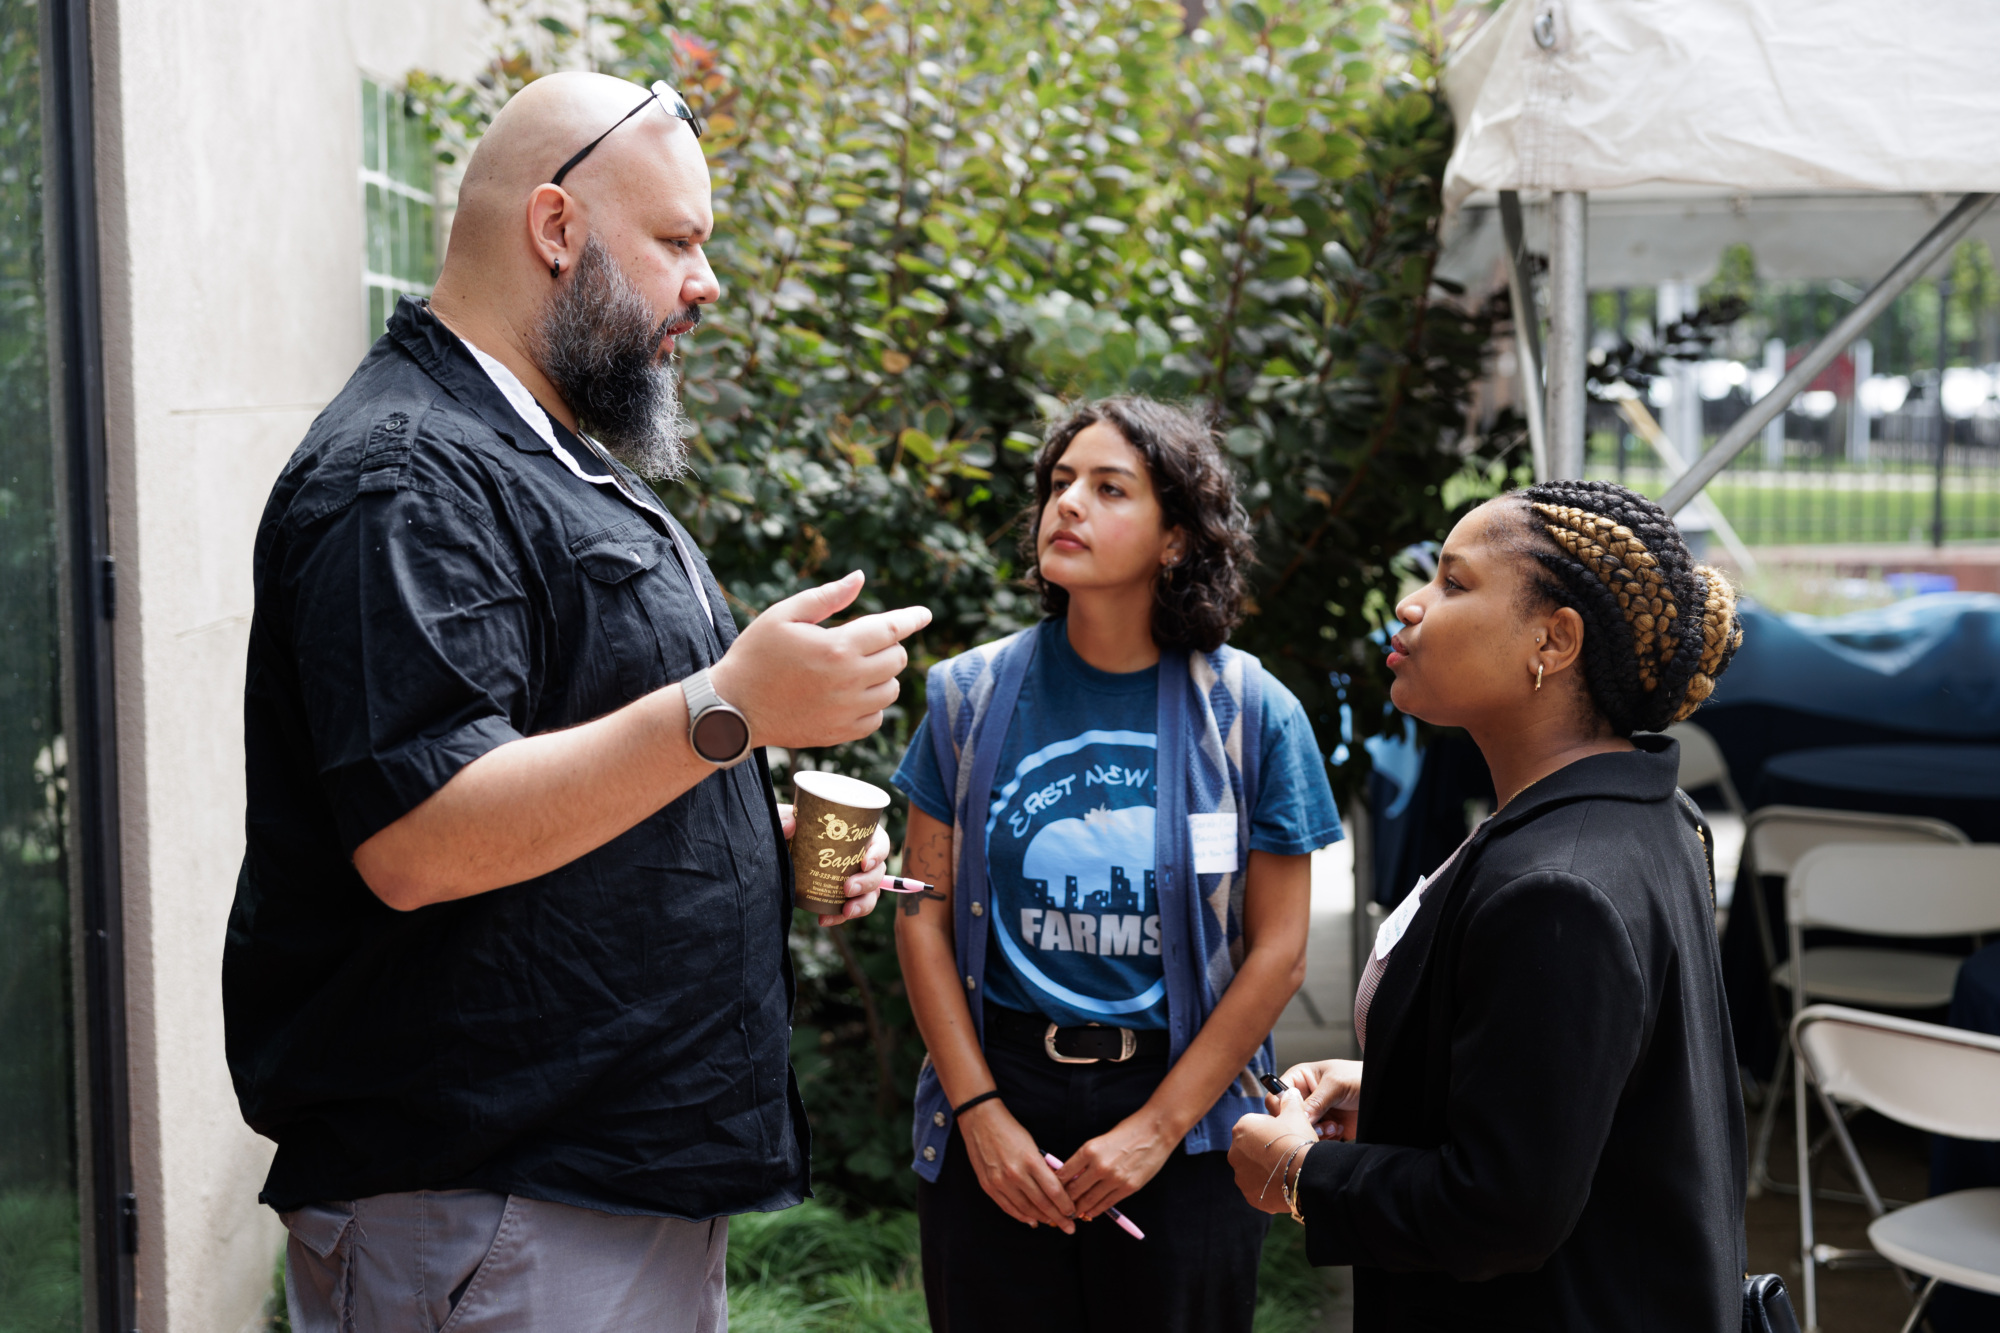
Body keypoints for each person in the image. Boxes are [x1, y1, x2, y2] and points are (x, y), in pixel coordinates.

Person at [222, 72, 930, 1333]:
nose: (705, 285)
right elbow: (422, 835)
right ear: (554, 229)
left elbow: (562, 777)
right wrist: (729, 711)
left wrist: (747, 845)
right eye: (677, 241)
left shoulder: (540, 455)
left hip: (585, 1200)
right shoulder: (402, 475)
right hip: (495, 1208)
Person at [1229, 479, 1748, 1331]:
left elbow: (1500, 1211)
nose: (1411, 603)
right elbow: (1592, 1093)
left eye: (1454, 582)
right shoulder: (1642, 813)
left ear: (1555, 638)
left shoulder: (1560, 889)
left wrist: (1300, 1176)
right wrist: (1399, 1087)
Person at [892, 398, 1343, 1333]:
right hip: (999, 1090)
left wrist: (1156, 1128)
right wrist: (979, 1111)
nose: (1069, 505)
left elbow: (1281, 952)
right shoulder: (967, 697)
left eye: (1109, 488)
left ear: (1176, 537)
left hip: (1188, 1110)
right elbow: (922, 912)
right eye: (1059, 484)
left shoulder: (1253, 713)